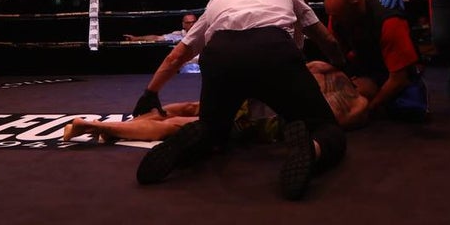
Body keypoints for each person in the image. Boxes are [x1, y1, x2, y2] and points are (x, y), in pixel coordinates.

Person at [129, 0, 348, 200]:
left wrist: (151, 92)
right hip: (273, 51)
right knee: (326, 127)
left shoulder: (218, 0)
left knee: (213, 129)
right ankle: (311, 149)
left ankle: (193, 139)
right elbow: (325, 39)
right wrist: (342, 65)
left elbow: (177, 57)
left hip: (221, 56)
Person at [63, 60, 368, 143]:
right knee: (184, 124)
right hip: (266, 120)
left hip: (257, 95)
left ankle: (120, 126)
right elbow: (325, 124)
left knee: (193, 109)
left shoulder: (322, 66)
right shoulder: (358, 105)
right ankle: (91, 126)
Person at [323, 0, 428, 122]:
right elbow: (338, 56)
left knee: (411, 108)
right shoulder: (337, 18)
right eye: (331, 15)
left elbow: (399, 78)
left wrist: (371, 108)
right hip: (367, 69)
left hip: (394, 73)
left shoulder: (390, 22)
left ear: (354, 5)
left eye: (337, 15)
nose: (333, 19)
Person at [123, 14, 198, 43]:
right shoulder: (178, 35)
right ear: (183, 24)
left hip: (204, 66)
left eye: (194, 22)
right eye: (188, 23)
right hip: (187, 68)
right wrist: (135, 38)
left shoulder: (203, 32)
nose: (192, 25)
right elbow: (156, 38)